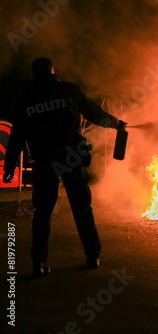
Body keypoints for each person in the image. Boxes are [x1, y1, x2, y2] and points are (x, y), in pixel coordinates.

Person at [2, 57, 126, 278]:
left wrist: (10, 164)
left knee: (42, 213)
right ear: (53, 72)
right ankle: (92, 256)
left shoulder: (27, 98)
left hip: (44, 162)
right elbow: (95, 114)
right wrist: (117, 124)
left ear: (35, 74)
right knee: (82, 208)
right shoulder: (70, 91)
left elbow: (18, 136)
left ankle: (38, 263)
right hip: (71, 158)